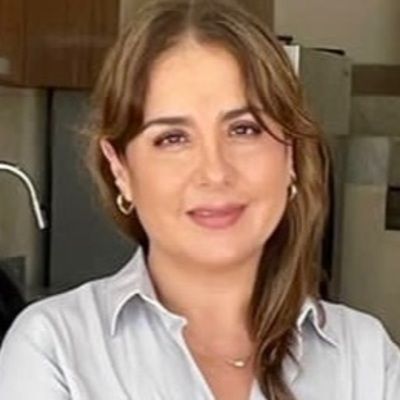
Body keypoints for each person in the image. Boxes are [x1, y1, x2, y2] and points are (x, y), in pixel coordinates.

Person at [0, 0, 399, 399]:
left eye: (244, 129)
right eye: (172, 138)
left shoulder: (366, 356)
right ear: (120, 169)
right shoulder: (54, 349)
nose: (215, 172)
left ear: (290, 155)